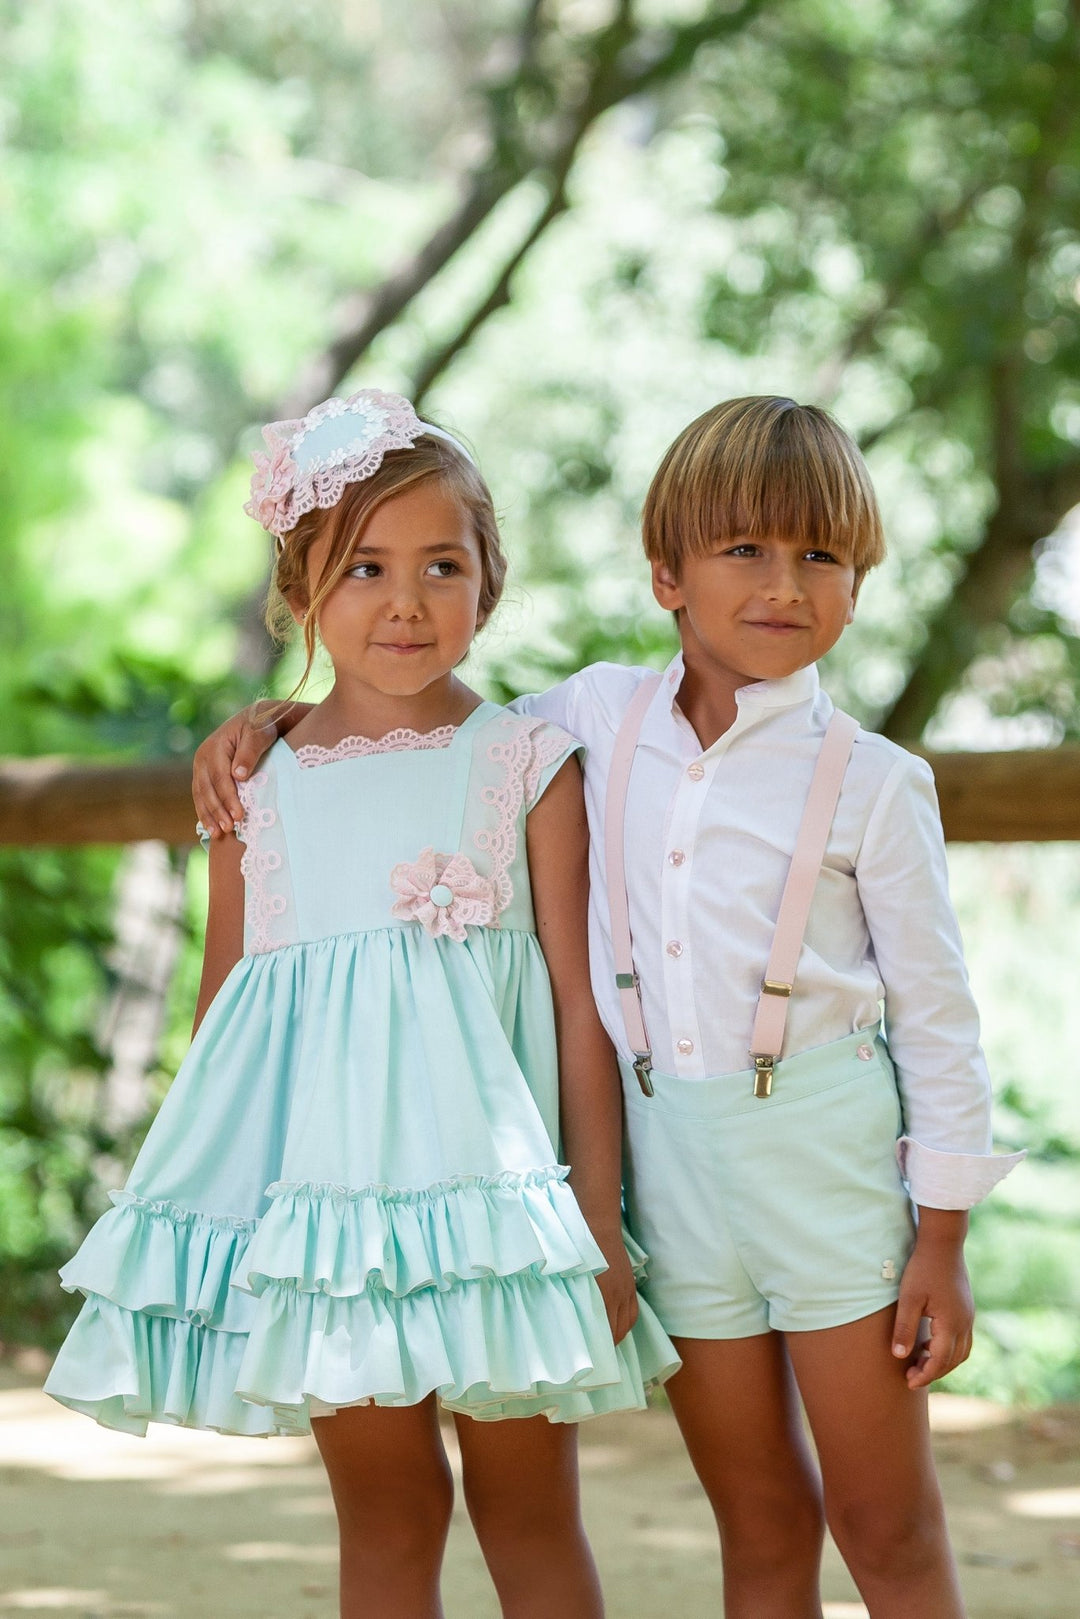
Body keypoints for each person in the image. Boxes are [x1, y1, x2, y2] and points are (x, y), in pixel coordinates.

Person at [193, 395, 1024, 1619]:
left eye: (822, 554)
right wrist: (263, 722)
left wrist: (942, 1233)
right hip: (666, 1164)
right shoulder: (586, 717)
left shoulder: (876, 782)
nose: (784, 582)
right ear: (664, 574)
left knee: (884, 1518)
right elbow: (410, 741)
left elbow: (940, 1018)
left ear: (860, 580)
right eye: (745, 547)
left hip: (826, 1159)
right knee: (759, 1507)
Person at [46, 388, 678, 1619]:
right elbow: (225, 1019)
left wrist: (597, 1220)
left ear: (487, 582)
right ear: (301, 590)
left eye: (442, 564)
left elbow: (578, 1006)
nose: (405, 600)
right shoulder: (257, 789)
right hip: (331, 1241)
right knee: (387, 1520)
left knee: (532, 1519)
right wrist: (224, 1222)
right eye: (364, 567)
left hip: (502, 1231)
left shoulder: (526, 767)